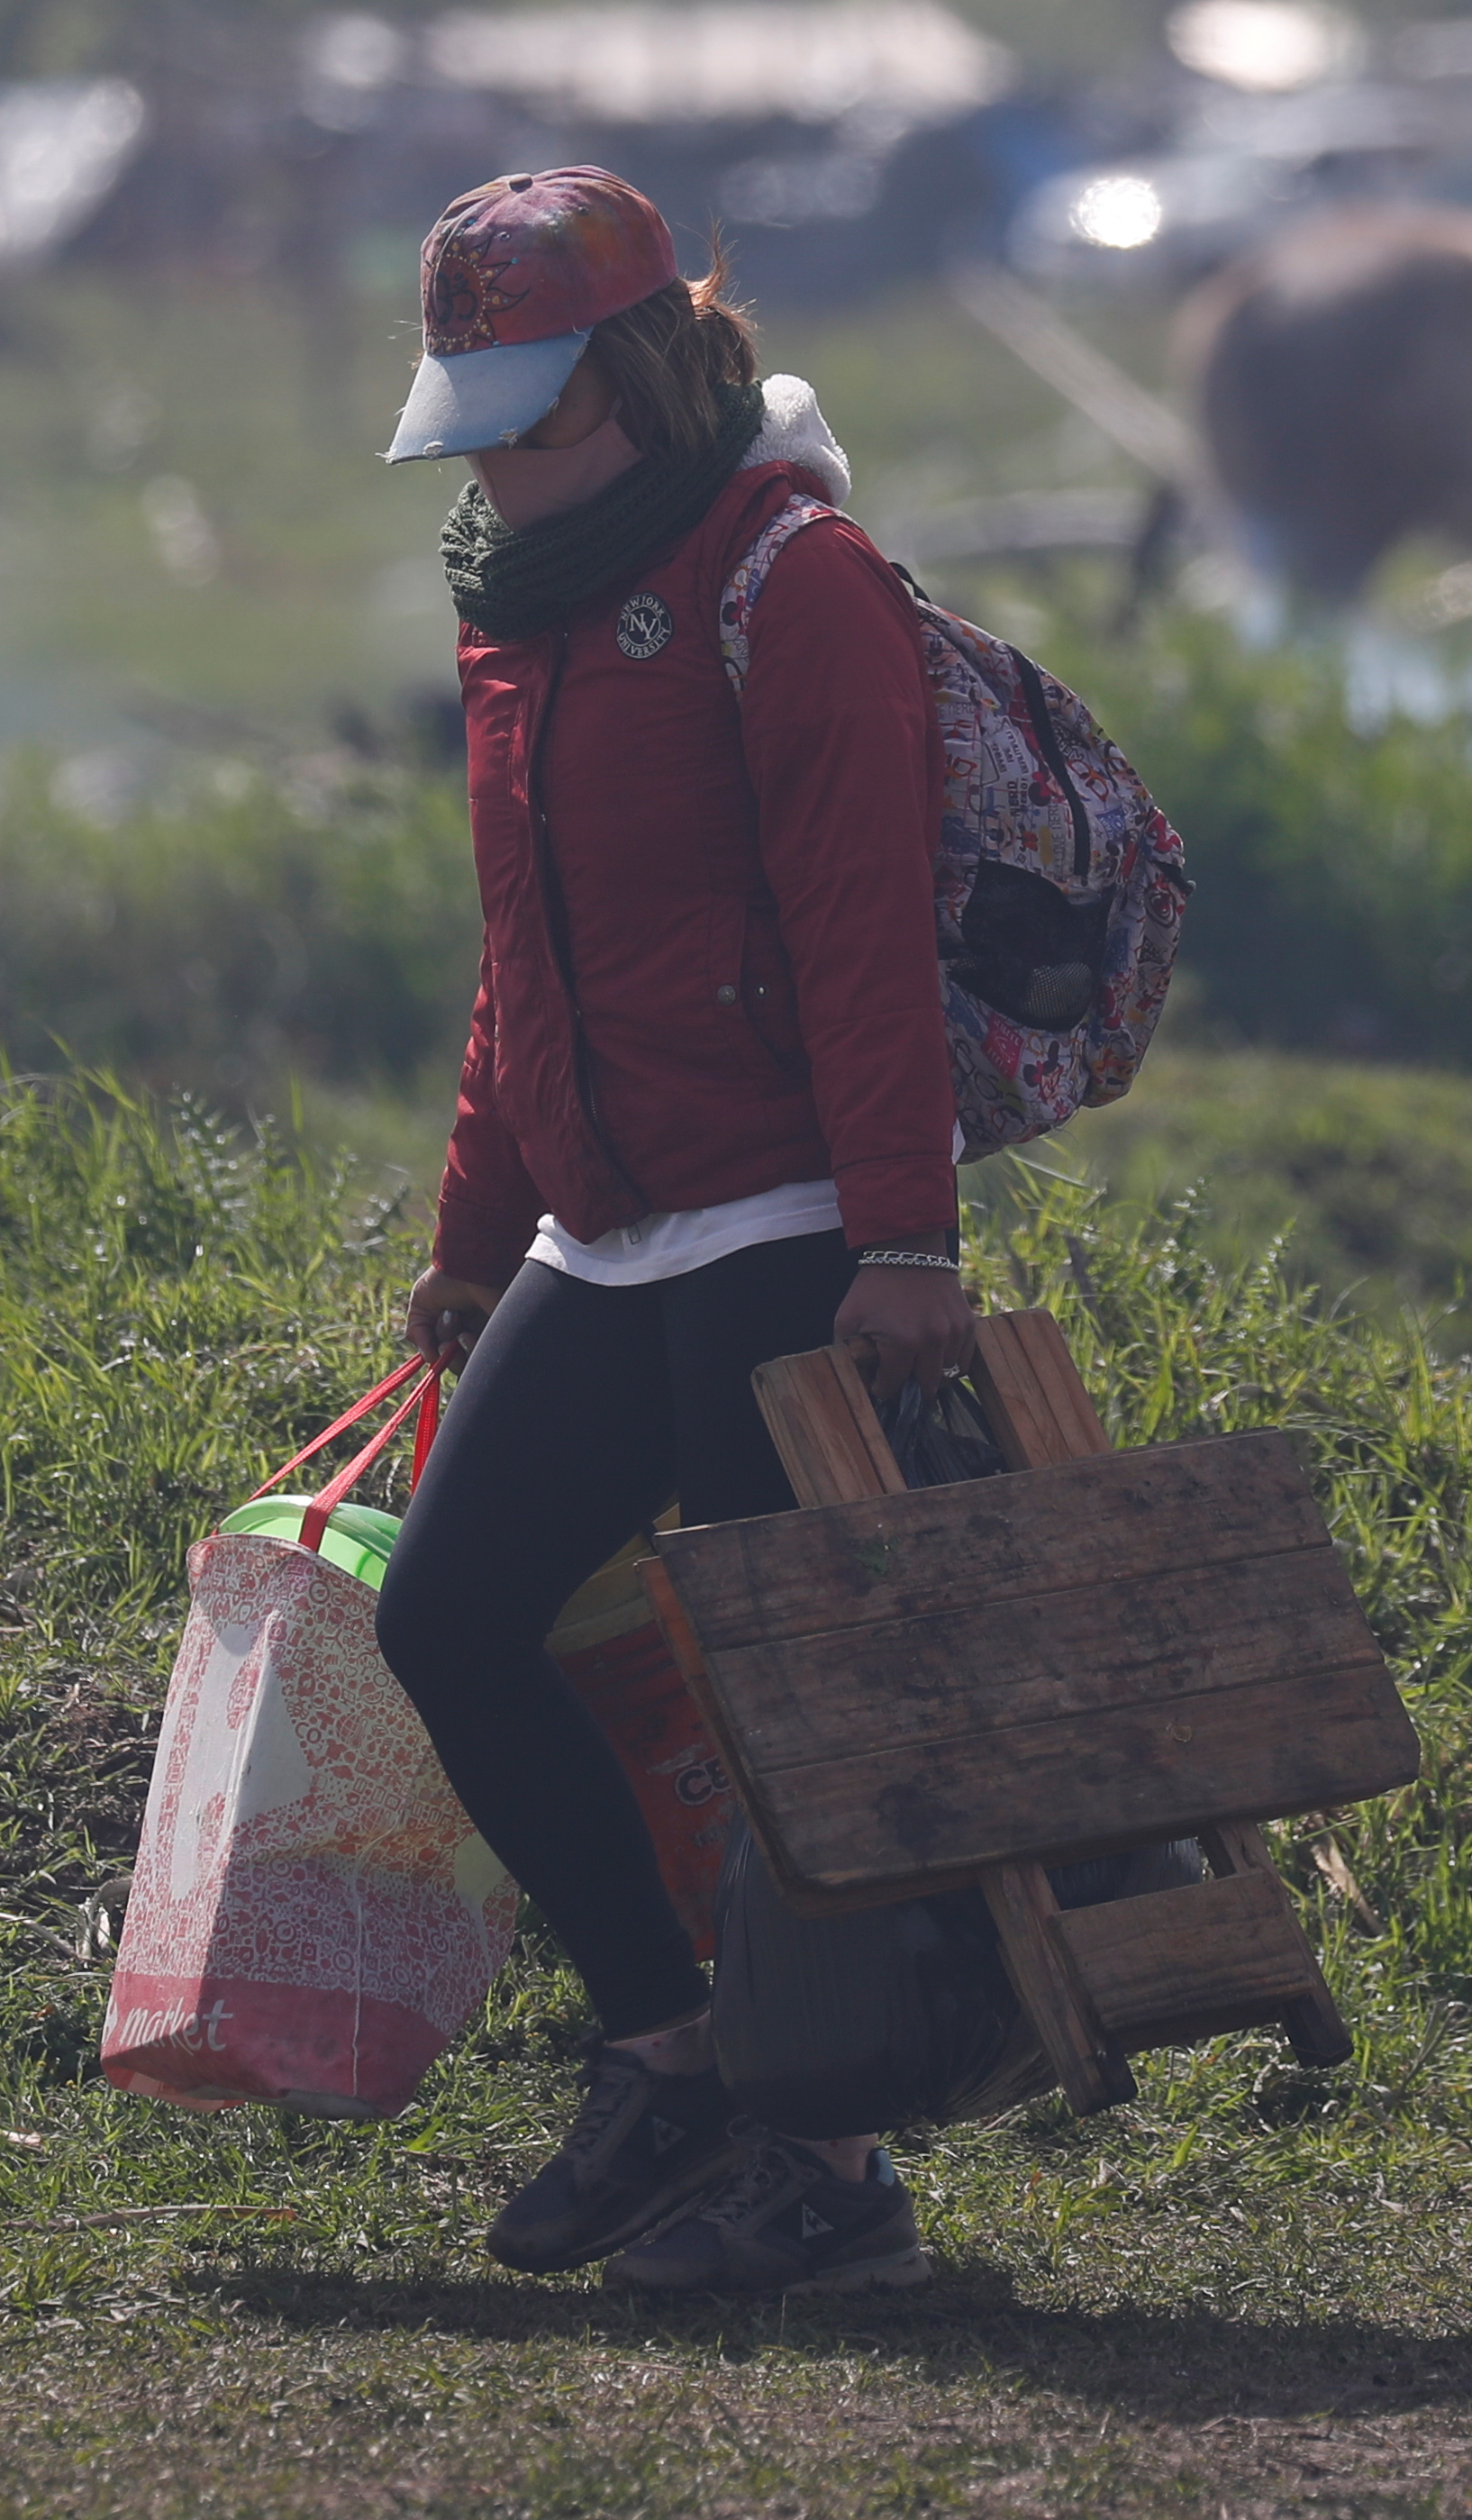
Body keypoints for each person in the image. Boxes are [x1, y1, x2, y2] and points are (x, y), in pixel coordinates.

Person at [368, 165, 969, 2297]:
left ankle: (836, 2176)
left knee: (768, 1700)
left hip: (791, 1218)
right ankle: (674, 2053)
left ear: (635, 372)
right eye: (477, 423)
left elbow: (863, 931)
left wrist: (905, 1238)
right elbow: (518, 951)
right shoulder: (515, 602)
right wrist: (475, 1226)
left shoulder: (789, 576)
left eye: (531, 419)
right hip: (607, 1232)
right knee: (448, 1619)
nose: (500, 467)